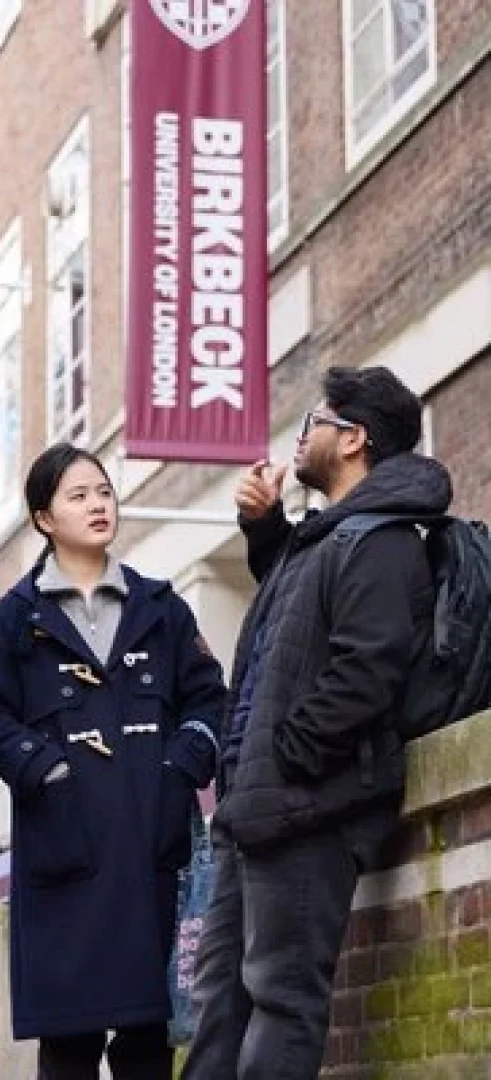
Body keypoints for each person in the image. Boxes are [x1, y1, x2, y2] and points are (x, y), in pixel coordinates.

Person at [182, 366, 451, 1080]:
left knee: (281, 1001)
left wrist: (289, 753)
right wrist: (266, 528)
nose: (299, 438)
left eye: (314, 421)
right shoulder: (326, 538)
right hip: (256, 807)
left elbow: (366, 670)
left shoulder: (384, 540)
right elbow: (295, 624)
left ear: (354, 438)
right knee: (217, 1009)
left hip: (307, 808)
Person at [0, 442, 226, 1080]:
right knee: (69, 1048)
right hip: (64, 856)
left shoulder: (161, 609)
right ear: (45, 518)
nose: (98, 505)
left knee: (147, 1045)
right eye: (78, 496)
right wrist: (44, 768)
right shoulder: (12, 623)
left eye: (103, 491)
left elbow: (210, 700)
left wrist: (182, 765)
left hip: (152, 851)